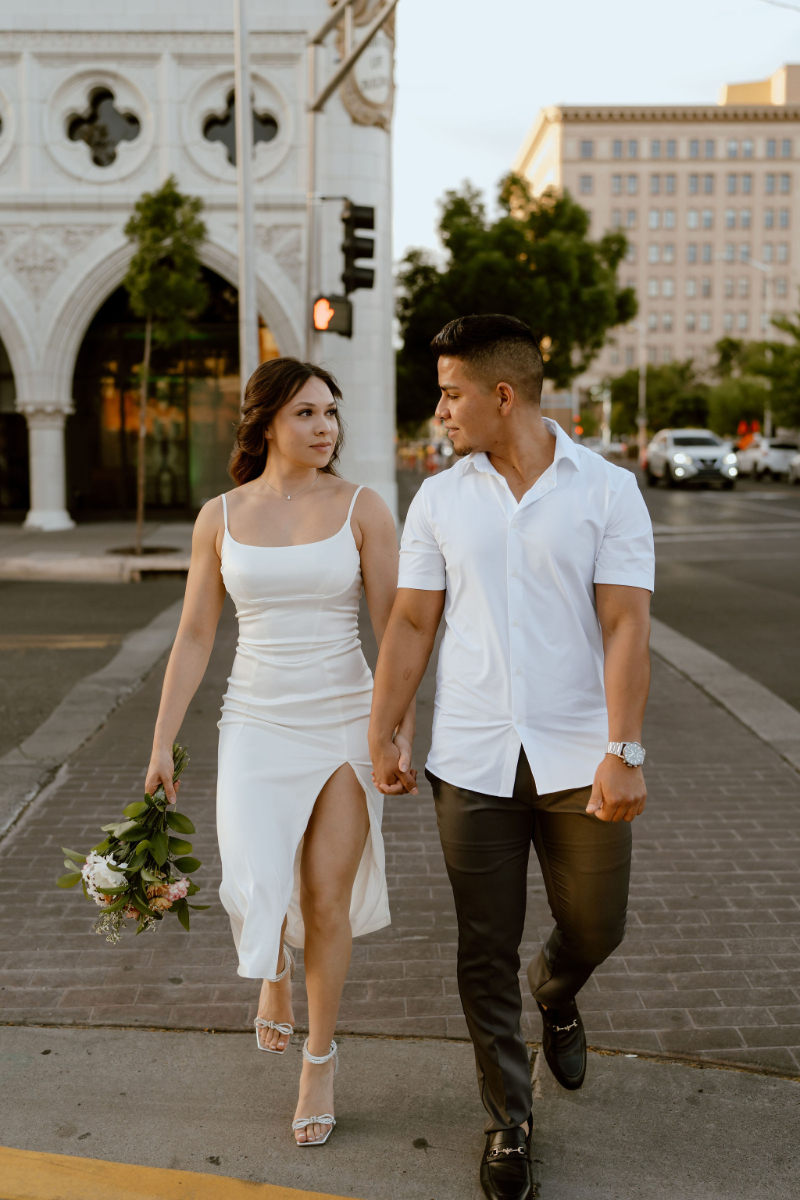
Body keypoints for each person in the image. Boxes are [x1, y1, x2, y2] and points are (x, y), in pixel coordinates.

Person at [369, 315, 654, 1200]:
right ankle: (508, 1122)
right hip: (473, 758)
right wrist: (386, 726)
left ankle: (558, 992)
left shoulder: (607, 490)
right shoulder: (442, 498)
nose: (440, 410)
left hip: (581, 758)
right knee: (482, 947)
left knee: (596, 926)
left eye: (451, 393)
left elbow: (625, 625)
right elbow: (414, 619)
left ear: (502, 395)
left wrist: (623, 749)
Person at [145, 357, 414, 1147]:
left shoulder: (365, 508)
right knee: (253, 878)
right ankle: (272, 974)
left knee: (325, 897)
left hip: (343, 720)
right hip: (255, 719)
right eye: (305, 412)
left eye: (330, 412)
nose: (324, 426)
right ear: (265, 422)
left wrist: (397, 731)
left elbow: (396, 626)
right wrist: (162, 742)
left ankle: (321, 1060)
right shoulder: (219, 516)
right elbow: (195, 634)